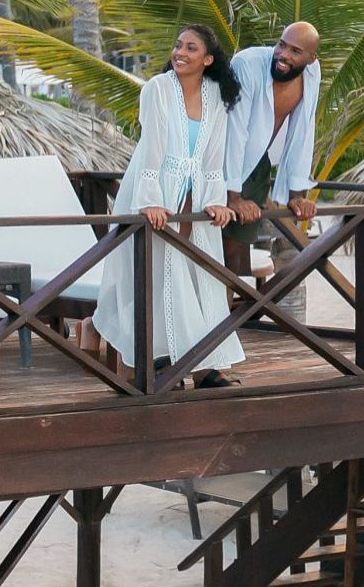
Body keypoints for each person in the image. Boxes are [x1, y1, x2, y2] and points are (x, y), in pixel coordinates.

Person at [97, 24, 246, 388]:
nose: (180, 52)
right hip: (156, 188)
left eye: (191, 48)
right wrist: (150, 201)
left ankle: (206, 365)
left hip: (195, 195)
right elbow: (152, 148)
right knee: (161, 274)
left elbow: (214, 157)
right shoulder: (158, 89)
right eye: (178, 45)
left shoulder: (216, 96)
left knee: (201, 275)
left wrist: (217, 201)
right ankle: (162, 362)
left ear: (208, 60)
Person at [223, 21, 322, 242]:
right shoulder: (247, 64)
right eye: (281, 44)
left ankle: (240, 279)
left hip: (259, 165)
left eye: (295, 51)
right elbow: (235, 131)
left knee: (240, 245)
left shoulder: (312, 74)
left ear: (311, 58)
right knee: (214, 246)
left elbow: (303, 131)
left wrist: (297, 195)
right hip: (222, 164)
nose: (283, 55)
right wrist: (234, 196)